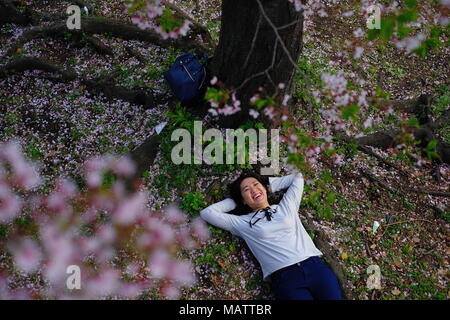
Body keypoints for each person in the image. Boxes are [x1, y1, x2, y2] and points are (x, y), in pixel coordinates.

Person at [200, 170, 342, 300]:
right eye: (246, 190)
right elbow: (207, 213)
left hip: (315, 267)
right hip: (286, 278)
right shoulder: (242, 223)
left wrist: (269, 186)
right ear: (243, 199)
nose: (254, 190)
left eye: (256, 185)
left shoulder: (287, 206)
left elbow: (297, 177)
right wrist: (235, 201)